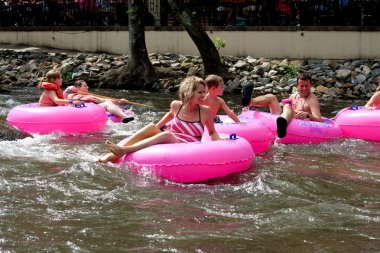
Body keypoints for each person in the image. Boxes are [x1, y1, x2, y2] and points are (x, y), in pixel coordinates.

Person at [97, 76, 222, 163]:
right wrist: (151, 131)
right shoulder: (176, 106)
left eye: (204, 92)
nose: (203, 96)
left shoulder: (205, 111)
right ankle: (111, 155)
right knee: (152, 127)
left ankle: (124, 150)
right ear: (189, 92)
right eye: (200, 92)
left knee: (167, 134)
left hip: (187, 146)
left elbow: (211, 132)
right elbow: (166, 118)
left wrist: (221, 142)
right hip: (171, 139)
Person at [242, 72, 322, 138]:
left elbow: (318, 119)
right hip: (285, 117)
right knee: (272, 97)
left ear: (311, 85)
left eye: (306, 86)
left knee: (287, 106)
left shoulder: (313, 100)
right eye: (302, 86)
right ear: (297, 86)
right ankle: (249, 101)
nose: (304, 88)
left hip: (298, 124)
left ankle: (283, 125)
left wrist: (308, 115)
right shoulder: (293, 96)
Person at [64, 80, 134, 123]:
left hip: (93, 109)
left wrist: (120, 101)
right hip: (80, 109)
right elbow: (64, 101)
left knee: (107, 103)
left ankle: (125, 116)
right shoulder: (71, 95)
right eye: (85, 86)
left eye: (87, 85)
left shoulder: (92, 96)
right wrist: (67, 90)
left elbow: (107, 101)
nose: (88, 87)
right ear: (78, 88)